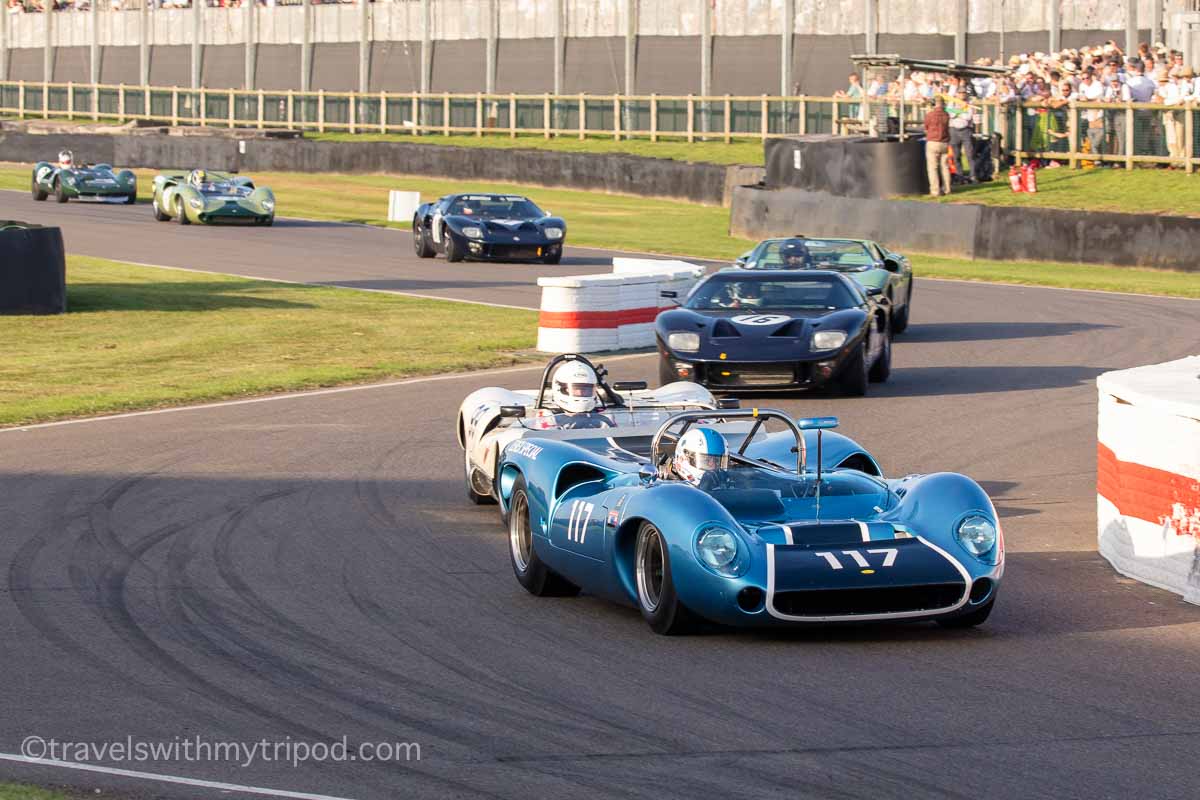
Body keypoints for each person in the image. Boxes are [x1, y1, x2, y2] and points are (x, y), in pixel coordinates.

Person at [923, 96, 951, 197]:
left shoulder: (930, 115)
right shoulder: (946, 115)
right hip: (944, 142)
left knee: (933, 168)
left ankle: (935, 191)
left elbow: (926, 127)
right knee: (945, 167)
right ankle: (947, 189)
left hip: (933, 142)